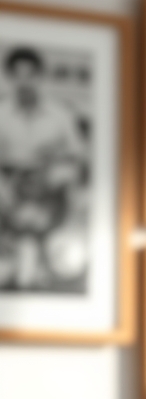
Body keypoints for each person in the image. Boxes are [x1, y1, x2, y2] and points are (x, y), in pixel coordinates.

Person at [0, 46, 89, 290]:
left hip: (48, 188)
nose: (24, 82)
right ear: (9, 78)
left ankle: (42, 264)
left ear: (40, 77)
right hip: (8, 186)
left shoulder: (61, 115)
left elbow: (78, 158)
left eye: (30, 75)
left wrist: (54, 172)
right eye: (17, 75)